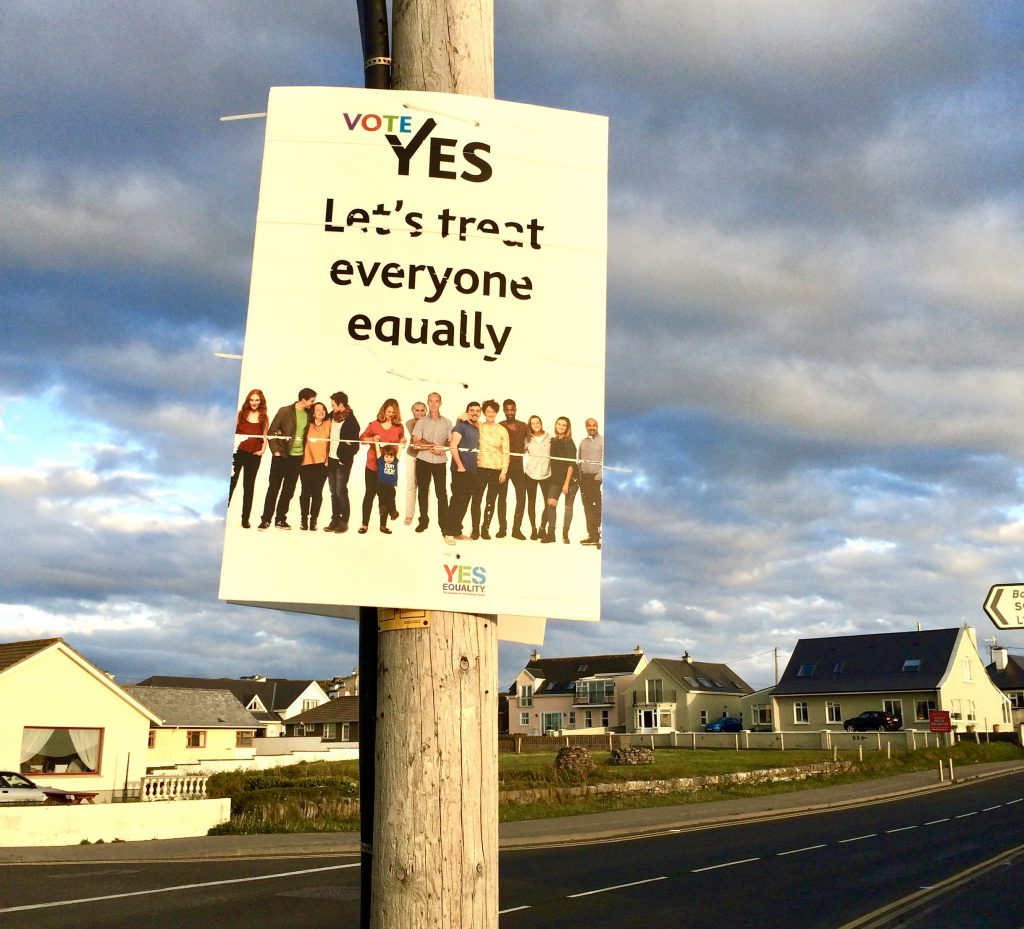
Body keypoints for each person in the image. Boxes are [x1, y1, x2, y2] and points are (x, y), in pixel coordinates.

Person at [259, 388, 317, 530]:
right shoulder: (285, 411)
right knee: (273, 488)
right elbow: (272, 431)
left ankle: (280, 520)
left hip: (297, 458)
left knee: (289, 490)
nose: (313, 403)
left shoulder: (309, 414)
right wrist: (276, 451)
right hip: (281, 456)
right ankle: (265, 520)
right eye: (311, 400)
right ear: (303, 399)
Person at [358, 399, 404, 534]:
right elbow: (361, 439)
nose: (390, 414)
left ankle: (383, 525)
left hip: (388, 469)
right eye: (388, 411)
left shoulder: (399, 427)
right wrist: (372, 439)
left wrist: (403, 441)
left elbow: (402, 441)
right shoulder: (374, 425)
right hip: (373, 466)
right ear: (383, 410)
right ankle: (364, 524)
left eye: (393, 412)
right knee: (369, 494)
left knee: (387, 497)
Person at [411, 391, 452, 535]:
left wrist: (443, 447)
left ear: (440, 403)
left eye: (436, 401)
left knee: (441, 493)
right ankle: (423, 521)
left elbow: (450, 441)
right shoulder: (421, 422)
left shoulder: (448, 422)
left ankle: (444, 524)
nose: (433, 404)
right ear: (428, 403)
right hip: (423, 461)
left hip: (440, 462)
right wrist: (432, 446)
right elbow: (416, 442)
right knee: (422, 492)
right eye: (431, 401)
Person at [228, 388, 268, 529]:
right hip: (238, 453)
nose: (254, 402)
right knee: (231, 483)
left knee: (248, 486)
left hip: (253, 455)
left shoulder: (264, 417)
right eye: (252, 399)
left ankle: (245, 519)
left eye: (257, 400)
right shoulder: (241, 414)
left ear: (261, 401)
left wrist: (262, 450)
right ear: (248, 400)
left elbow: (264, 435)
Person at [444, 401, 483, 545]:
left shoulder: (476, 428)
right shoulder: (460, 426)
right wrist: (460, 466)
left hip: (472, 470)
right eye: (472, 410)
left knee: (464, 502)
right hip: (460, 470)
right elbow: (453, 446)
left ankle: (457, 531)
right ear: (466, 412)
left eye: (477, 411)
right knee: (456, 502)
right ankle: (448, 533)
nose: (475, 413)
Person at [324, 391, 360, 533]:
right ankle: (335, 519)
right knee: (333, 491)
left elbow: (355, 446)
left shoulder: (351, 421)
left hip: (342, 462)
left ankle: (344, 521)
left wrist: (344, 459)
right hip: (331, 459)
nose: (331, 407)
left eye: (333, 404)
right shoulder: (331, 417)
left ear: (341, 405)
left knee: (340, 491)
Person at [496, 398, 528, 539]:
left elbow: (530, 442)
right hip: (503, 466)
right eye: (507, 409)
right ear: (503, 410)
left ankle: (516, 529)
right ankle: (502, 528)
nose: (510, 412)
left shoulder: (523, 426)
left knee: (521, 498)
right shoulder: (499, 426)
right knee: (501, 497)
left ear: (515, 409)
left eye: (512, 409)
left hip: (518, 467)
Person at [478, 400, 510, 540]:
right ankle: (475, 529)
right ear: (484, 412)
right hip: (480, 468)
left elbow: (506, 452)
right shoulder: (478, 426)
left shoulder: (502, 429)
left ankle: (485, 528)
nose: (490, 414)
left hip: (496, 469)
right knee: (477, 499)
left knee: (491, 500)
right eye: (488, 411)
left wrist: (504, 471)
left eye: (493, 411)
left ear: (496, 413)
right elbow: (461, 419)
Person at [541, 416, 575, 544]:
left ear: (567, 428)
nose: (561, 427)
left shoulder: (569, 442)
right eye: (559, 424)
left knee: (568, 507)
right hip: (555, 478)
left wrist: (566, 483)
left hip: (568, 478)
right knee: (550, 503)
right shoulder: (553, 440)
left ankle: (565, 534)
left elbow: (571, 464)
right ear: (555, 425)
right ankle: (551, 534)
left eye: (564, 425)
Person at [299, 401, 330, 531]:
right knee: (305, 492)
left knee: (317, 493)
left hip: (322, 464)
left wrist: (327, 460)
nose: (321, 411)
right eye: (318, 410)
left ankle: (313, 520)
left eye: (323, 409)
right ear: (312, 413)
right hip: (306, 463)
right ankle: (304, 519)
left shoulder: (329, 424)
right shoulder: (308, 425)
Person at [523, 414, 551, 541]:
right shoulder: (527, 439)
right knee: (531, 502)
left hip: (546, 474)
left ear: (541, 423)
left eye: (537, 422)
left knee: (547, 503)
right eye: (533, 423)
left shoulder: (549, 438)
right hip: (531, 474)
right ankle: (533, 529)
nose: (535, 425)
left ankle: (542, 528)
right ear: (530, 425)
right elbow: (520, 453)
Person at [577, 417, 604, 548]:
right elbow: (579, 460)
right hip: (585, 479)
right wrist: (580, 476)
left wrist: (599, 476)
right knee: (587, 507)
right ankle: (592, 535)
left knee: (597, 507)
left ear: (597, 426)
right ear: (586, 427)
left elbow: (607, 460)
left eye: (594, 425)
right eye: (589, 426)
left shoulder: (603, 441)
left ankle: (600, 537)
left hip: (596, 478)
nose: (592, 428)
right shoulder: (582, 442)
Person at [403, 401, 427, 525]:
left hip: (426, 457)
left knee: (424, 487)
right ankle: (409, 515)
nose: (419, 413)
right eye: (416, 410)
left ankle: (424, 516)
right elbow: (418, 440)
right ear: (413, 411)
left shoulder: (431, 422)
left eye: (422, 410)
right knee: (411, 485)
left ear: (426, 411)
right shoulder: (410, 423)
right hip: (412, 455)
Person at [376, 445, 400, 534]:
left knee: (391, 499)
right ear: (383, 456)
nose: (389, 459)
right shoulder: (381, 461)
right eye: (387, 456)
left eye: (391, 456)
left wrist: (400, 446)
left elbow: (399, 454)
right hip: (381, 484)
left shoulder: (395, 462)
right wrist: (376, 443)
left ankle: (393, 512)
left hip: (391, 486)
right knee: (383, 500)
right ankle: (382, 508)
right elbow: (378, 452)